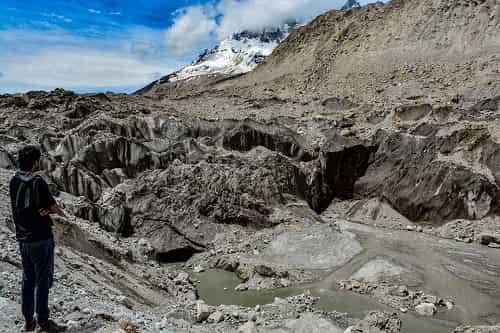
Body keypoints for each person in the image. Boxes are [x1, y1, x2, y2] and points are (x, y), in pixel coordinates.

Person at [9, 146, 66, 333]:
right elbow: (54, 207)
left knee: (27, 279)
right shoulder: (37, 181)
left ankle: (28, 321)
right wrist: (48, 210)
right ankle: (43, 321)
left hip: (23, 239)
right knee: (42, 282)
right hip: (41, 238)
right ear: (35, 163)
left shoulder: (14, 181)